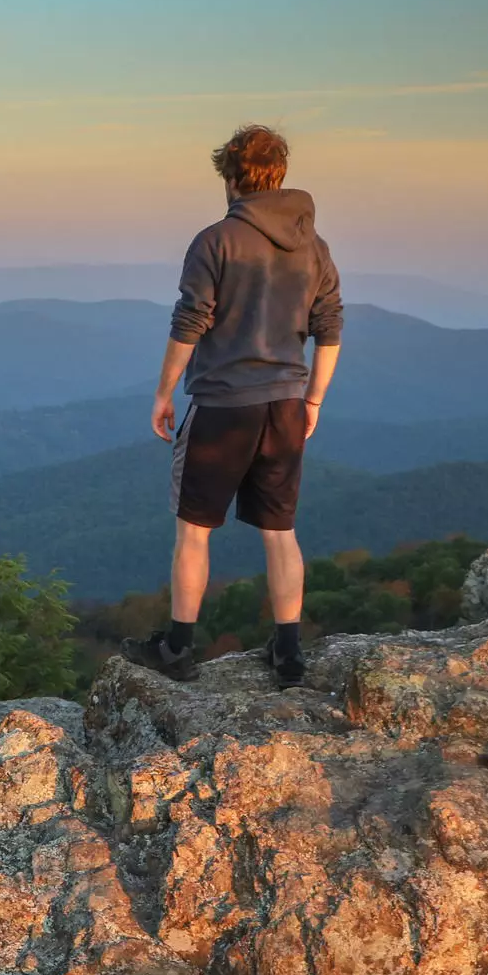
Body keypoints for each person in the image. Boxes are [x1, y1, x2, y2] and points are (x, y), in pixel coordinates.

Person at [122, 124, 343, 688]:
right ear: (280, 173)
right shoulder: (313, 246)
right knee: (281, 531)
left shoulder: (216, 240)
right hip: (287, 403)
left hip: (223, 406)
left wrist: (165, 391)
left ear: (231, 175)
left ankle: (178, 648)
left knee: (195, 530)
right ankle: (288, 654)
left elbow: (190, 322)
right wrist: (313, 397)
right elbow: (330, 326)